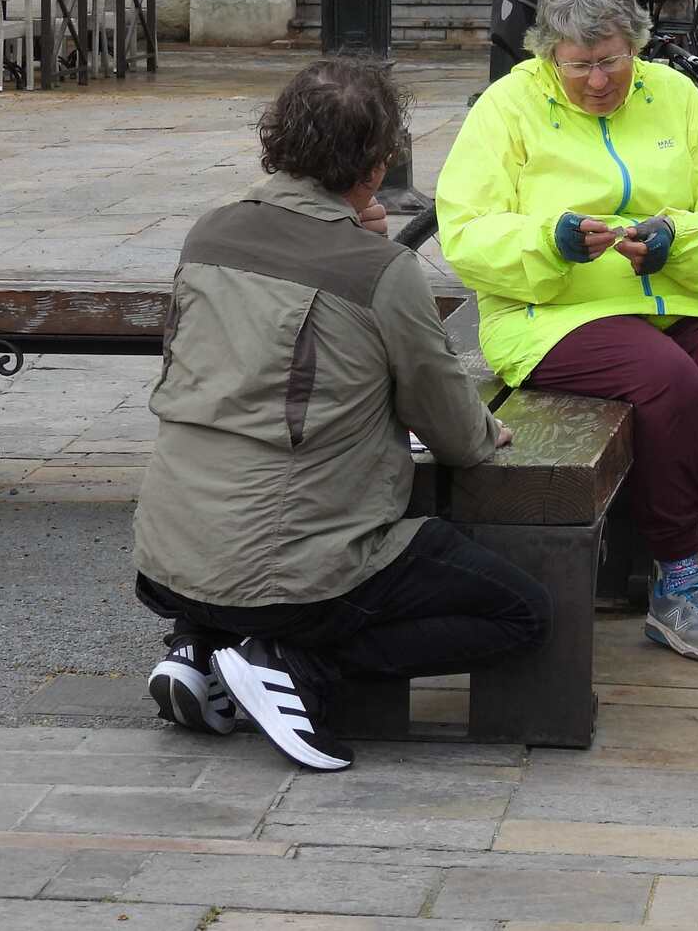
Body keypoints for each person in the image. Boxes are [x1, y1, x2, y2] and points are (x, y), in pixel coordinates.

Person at [133, 57, 549, 772]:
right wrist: (487, 430)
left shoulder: (209, 234)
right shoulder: (381, 272)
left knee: (252, 516)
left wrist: (358, 239)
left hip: (169, 558)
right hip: (290, 579)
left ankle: (200, 649)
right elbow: (453, 430)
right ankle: (292, 668)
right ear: (378, 163)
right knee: (520, 611)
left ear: (276, 139)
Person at [436, 0, 698, 667]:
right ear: (548, 54)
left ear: (638, 44)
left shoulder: (675, 96)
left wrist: (675, 240)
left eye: (613, 60)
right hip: (548, 315)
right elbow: (466, 232)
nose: (598, 80)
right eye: (579, 65)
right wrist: (553, 241)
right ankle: (678, 581)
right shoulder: (507, 107)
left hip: (674, 300)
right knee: (668, 381)